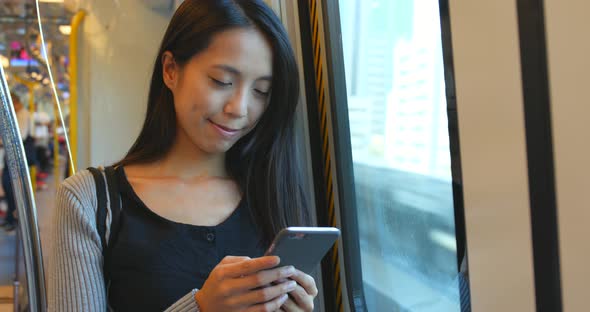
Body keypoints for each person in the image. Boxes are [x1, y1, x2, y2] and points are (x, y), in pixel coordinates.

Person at [48, 1, 317, 311]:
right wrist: (200, 308)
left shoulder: (273, 191)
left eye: (261, 91)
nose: (239, 108)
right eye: (222, 82)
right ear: (171, 70)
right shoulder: (89, 201)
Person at [1, 91, 33, 233]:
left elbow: (20, 135)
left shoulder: (23, 115)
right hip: (13, 156)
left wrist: (2, 141)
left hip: (18, 156)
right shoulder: (18, 115)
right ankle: (10, 217)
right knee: (8, 186)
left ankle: (14, 218)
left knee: (12, 186)